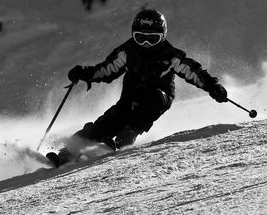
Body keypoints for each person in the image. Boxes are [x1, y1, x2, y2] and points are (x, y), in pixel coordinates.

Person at [48, 9, 228, 166]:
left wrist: (212, 86)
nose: (146, 44)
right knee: (104, 124)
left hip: (158, 98)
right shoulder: (127, 51)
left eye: (152, 39)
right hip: (129, 99)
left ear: (162, 37)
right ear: (133, 35)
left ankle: (127, 136)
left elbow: (193, 72)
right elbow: (107, 69)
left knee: (153, 100)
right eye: (140, 38)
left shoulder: (170, 56)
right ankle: (67, 153)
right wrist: (85, 73)